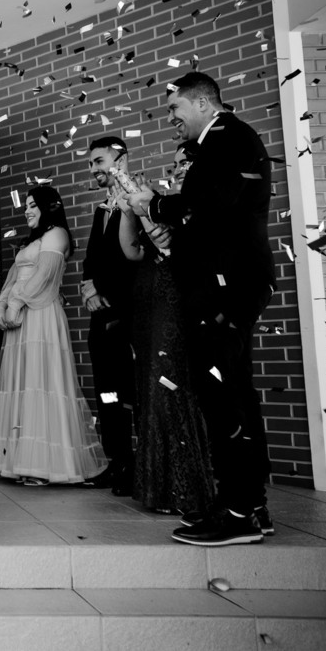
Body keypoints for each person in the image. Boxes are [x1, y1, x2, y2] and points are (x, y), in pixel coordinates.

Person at [128, 72, 275, 546]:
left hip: (225, 287)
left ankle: (238, 512)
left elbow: (211, 204)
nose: (171, 117)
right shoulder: (225, 141)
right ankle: (248, 504)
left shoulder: (228, 138)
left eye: (175, 109)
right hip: (223, 283)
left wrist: (154, 206)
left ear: (202, 104)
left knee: (224, 395)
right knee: (232, 392)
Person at [0, 186, 107, 484]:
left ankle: (46, 466)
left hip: (40, 316)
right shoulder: (32, 241)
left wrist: (15, 303)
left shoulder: (57, 234)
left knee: (41, 382)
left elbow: (44, 276)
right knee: (23, 383)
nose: (27, 210)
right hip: (21, 319)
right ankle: (21, 461)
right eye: (25, 205)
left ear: (49, 207)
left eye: (33, 205)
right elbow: (13, 277)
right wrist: (1, 304)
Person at [116, 142, 214, 515]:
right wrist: (129, 210)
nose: (178, 169)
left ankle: (184, 487)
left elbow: (168, 244)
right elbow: (132, 251)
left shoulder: (191, 206)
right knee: (149, 385)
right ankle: (157, 486)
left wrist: (144, 205)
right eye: (175, 165)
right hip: (147, 304)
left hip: (175, 305)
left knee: (169, 384)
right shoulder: (162, 202)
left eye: (184, 162)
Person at [79, 137, 138, 495]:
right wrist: (89, 289)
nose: (93, 169)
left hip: (127, 312)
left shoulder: (135, 199)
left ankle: (138, 465)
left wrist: (104, 291)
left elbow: (133, 258)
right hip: (100, 314)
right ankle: (117, 459)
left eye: (99, 161)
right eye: (91, 163)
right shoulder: (102, 208)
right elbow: (92, 257)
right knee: (107, 390)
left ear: (121, 159)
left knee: (129, 389)